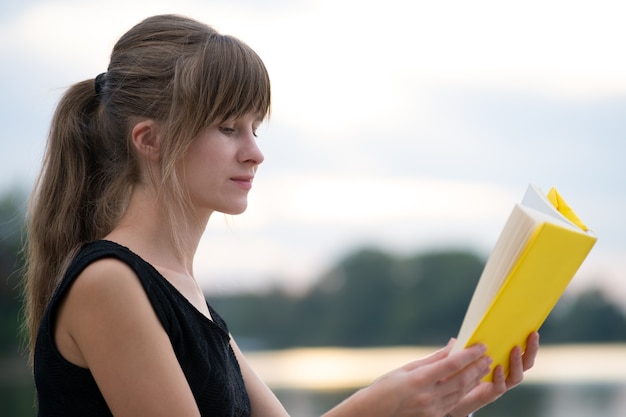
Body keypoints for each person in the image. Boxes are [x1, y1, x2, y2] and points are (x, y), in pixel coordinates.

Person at [23, 14, 539, 417]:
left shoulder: (181, 290)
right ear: (150, 140)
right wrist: (375, 406)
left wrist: (444, 402)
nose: (254, 153)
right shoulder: (107, 283)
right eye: (228, 128)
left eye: (255, 127)